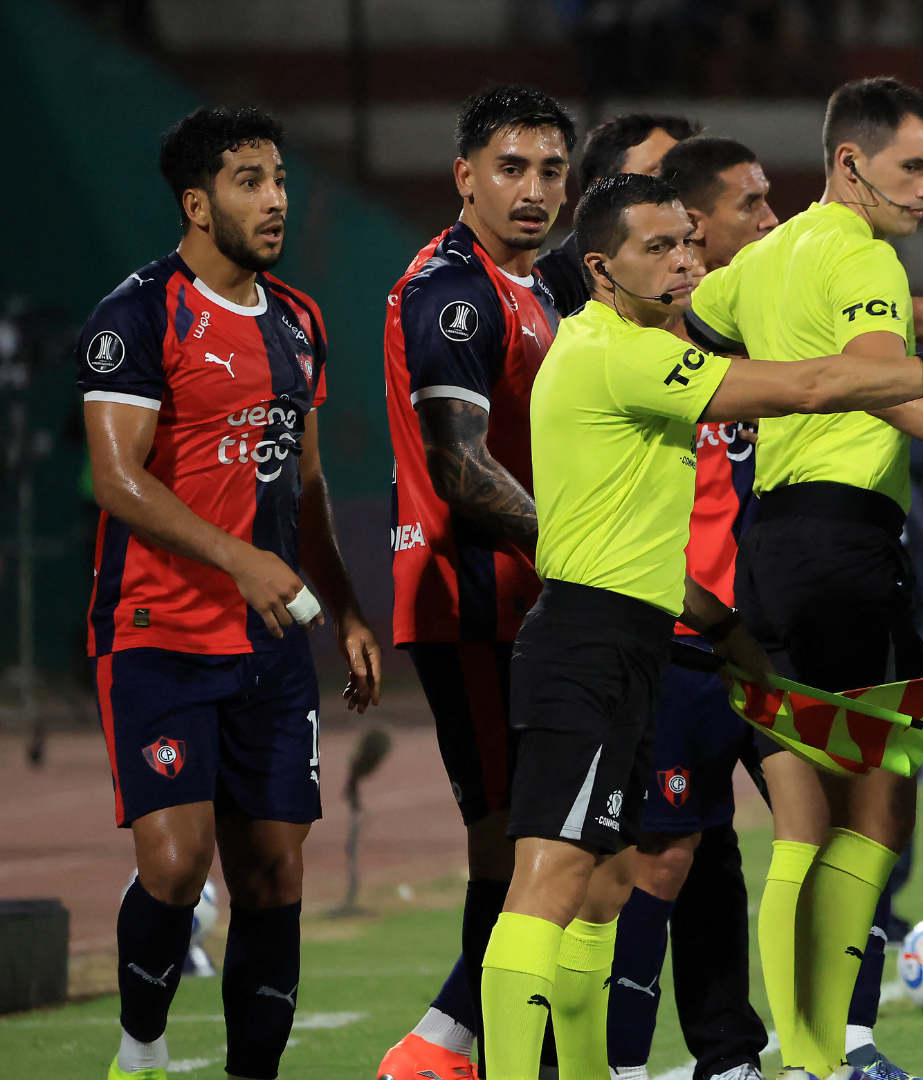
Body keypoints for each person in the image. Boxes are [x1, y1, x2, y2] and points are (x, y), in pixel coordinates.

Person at [477, 171, 923, 1080]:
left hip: (638, 639)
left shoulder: (624, 347)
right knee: (550, 881)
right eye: (657, 249)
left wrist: (728, 635)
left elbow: (635, 546)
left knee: (604, 889)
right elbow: (814, 382)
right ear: (600, 269)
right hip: (587, 649)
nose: (684, 263)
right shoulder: (615, 354)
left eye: (686, 243)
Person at [682, 77, 923, 1080]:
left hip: (769, 555)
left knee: (798, 819)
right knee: (877, 806)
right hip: (848, 553)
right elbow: (882, 378)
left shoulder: (761, 260)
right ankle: (847, 1044)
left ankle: (799, 1054)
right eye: (913, 168)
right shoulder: (862, 255)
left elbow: (688, 336)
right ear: (852, 165)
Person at [82, 105, 381, 1080]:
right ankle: (140, 1050)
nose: (277, 199)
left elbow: (307, 485)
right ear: (197, 203)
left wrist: (340, 607)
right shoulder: (136, 315)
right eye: (253, 180)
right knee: (176, 865)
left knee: (273, 872)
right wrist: (240, 561)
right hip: (157, 629)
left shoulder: (300, 322)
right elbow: (119, 480)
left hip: (272, 649)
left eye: (282, 179)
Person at [377, 84, 572, 1080]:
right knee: (517, 844)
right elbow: (459, 468)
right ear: (464, 176)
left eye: (549, 170)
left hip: (525, 601)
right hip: (475, 601)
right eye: (510, 168)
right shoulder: (453, 292)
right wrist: (582, 548)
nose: (533, 190)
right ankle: (468, 1054)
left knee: (543, 843)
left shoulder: (535, 285)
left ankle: (453, 1044)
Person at [600, 133, 781, 1080]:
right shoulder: (620, 357)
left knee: (790, 833)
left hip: (740, 642)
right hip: (673, 637)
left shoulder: (732, 343)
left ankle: (755, 1052)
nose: (771, 224)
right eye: (750, 209)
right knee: (655, 862)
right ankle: (617, 1063)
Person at [538, 113, 703, 317]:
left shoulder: (707, 270)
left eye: (686, 177)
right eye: (660, 174)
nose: (677, 191)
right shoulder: (544, 290)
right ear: (603, 188)